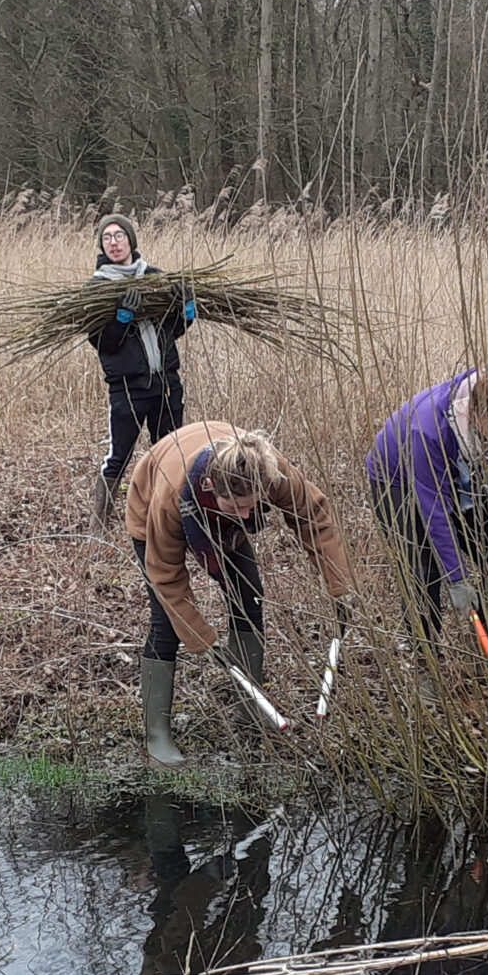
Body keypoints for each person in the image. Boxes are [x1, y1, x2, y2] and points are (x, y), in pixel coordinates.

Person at [123, 422, 354, 766]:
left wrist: (339, 589)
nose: (248, 516)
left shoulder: (270, 471)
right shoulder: (171, 498)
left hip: (220, 501)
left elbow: (315, 518)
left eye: (252, 506)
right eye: (236, 508)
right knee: (166, 624)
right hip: (151, 500)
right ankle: (157, 737)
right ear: (212, 486)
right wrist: (204, 640)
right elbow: (167, 579)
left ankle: (250, 707)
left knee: (249, 596)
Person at [367, 364, 488, 647]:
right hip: (398, 480)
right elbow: (435, 509)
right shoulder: (428, 429)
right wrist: (457, 578)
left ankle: (486, 649)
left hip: (464, 474)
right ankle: (424, 665)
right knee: (423, 574)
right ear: (476, 415)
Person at [87, 212, 195, 527]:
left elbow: (172, 331)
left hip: (166, 384)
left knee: (171, 453)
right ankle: (99, 524)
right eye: (107, 237)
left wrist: (186, 309)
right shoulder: (96, 290)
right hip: (128, 389)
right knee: (118, 458)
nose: (113, 242)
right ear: (101, 245)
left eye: (119, 235)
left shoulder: (155, 277)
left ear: (131, 240)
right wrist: (121, 317)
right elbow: (103, 344)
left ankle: (171, 516)